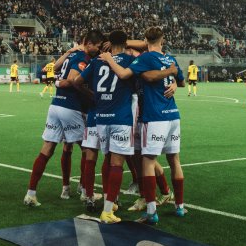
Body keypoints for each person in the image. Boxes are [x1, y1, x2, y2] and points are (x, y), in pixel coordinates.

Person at [69, 30, 174, 223]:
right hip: (122, 117)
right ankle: (109, 210)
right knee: (123, 162)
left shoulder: (97, 60)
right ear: (126, 43)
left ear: (109, 42)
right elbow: (150, 75)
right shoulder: (130, 60)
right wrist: (173, 79)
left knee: (109, 159)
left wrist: (95, 97)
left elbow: (76, 81)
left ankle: (111, 200)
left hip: (101, 118)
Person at [101, 26, 185, 225]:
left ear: (145, 40)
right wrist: (172, 78)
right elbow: (180, 82)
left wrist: (110, 58)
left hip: (153, 116)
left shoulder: (145, 58)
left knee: (146, 161)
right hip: (173, 115)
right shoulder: (170, 59)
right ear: (162, 40)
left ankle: (151, 211)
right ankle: (179, 206)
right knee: (174, 160)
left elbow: (135, 75)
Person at [24, 31, 103, 208]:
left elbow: (50, 70)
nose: (98, 50)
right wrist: (90, 94)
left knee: (48, 148)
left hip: (55, 105)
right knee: (87, 149)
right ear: (89, 43)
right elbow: (72, 81)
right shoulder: (82, 58)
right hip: (70, 107)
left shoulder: (72, 54)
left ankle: (31, 193)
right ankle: (85, 192)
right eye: (97, 46)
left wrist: (58, 76)